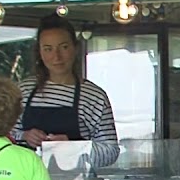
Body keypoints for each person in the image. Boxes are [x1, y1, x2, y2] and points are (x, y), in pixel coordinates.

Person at [12, 14, 120, 167]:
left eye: (64, 47)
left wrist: (74, 147)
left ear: (75, 48)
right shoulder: (23, 91)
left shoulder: (94, 97)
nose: (57, 57)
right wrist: (24, 136)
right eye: (48, 49)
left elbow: (111, 152)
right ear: (39, 53)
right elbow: (3, 139)